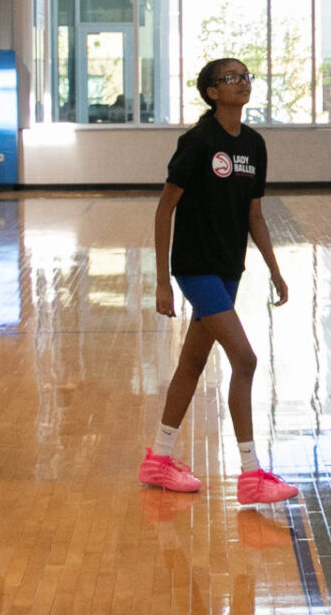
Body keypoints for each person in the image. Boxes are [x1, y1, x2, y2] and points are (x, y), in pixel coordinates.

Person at [138, 58, 298, 505]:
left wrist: (274, 267)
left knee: (191, 364)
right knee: (244, 359)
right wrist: (164, 281)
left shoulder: (254, 144)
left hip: (230, 267)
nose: (242, 83)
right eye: (232, 78)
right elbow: (164, 209)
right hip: (196, 267)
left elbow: (255, 214)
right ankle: (251, 474)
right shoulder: (197, 142)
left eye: (246, 76)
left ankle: (159, 459)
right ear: (212, 92)